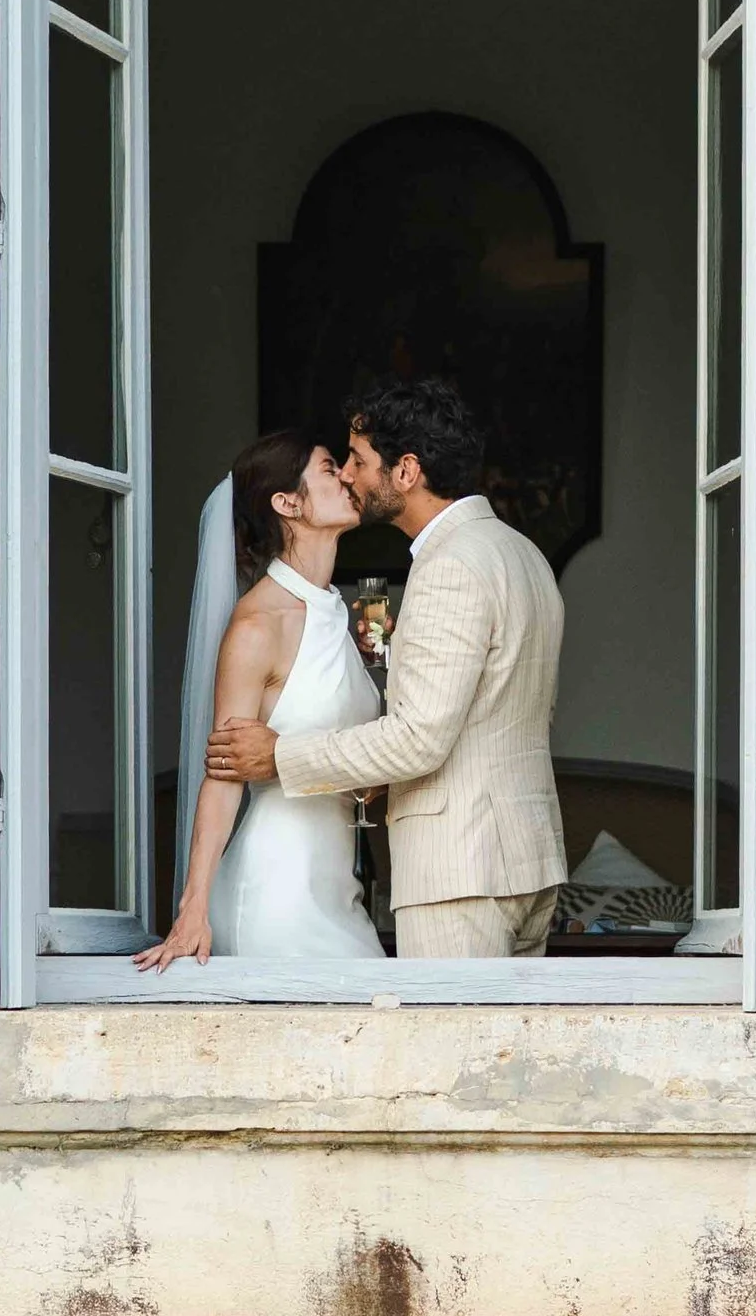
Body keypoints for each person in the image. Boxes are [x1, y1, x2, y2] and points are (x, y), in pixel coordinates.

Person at [206, 378, 565, 961]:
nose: (348, 474)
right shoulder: (523, 554)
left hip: (461, 869)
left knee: (447, 1050)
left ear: (405, 472)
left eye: (358, 460)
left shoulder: (450, 566)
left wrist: (278, 756)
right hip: (526, 861)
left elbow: (419, 739)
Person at [137, 431, 385, 969]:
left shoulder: (340, 614)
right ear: (287, 503)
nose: (347, 475)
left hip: (338, 887)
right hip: (277, 891)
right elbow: (224, 774)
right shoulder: (257, 626)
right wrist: (193, 906)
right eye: (327, 468)